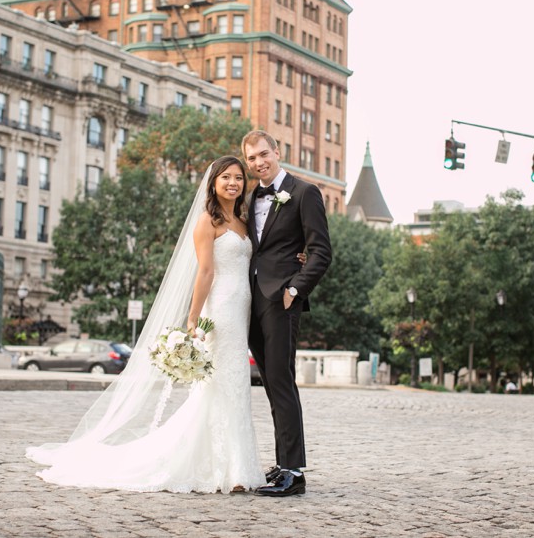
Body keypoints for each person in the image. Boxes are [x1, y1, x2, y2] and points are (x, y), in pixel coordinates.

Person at [26, 156, 273, 494]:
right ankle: (224, 470)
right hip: (220, 311)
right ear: (213, 183)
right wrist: (192, 318)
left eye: (238, 178)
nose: (233, 183)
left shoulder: (244, 221)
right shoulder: (207, 222)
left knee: (235, 386)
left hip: (242, 308)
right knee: (218, 385)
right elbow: (205, 272)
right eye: (226, 177)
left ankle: (237, 466)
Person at [242, 130, 332, 497]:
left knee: (282, 380)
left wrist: (295, 289)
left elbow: (321, 251)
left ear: (277, 152)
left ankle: (294, 472)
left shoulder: (304, 192)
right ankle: (282, 462)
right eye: (251, 158)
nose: (259, 162)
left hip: (282, 300)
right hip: (250, 299)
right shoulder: (250, 197)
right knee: (270, 381)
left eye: (264, 154)